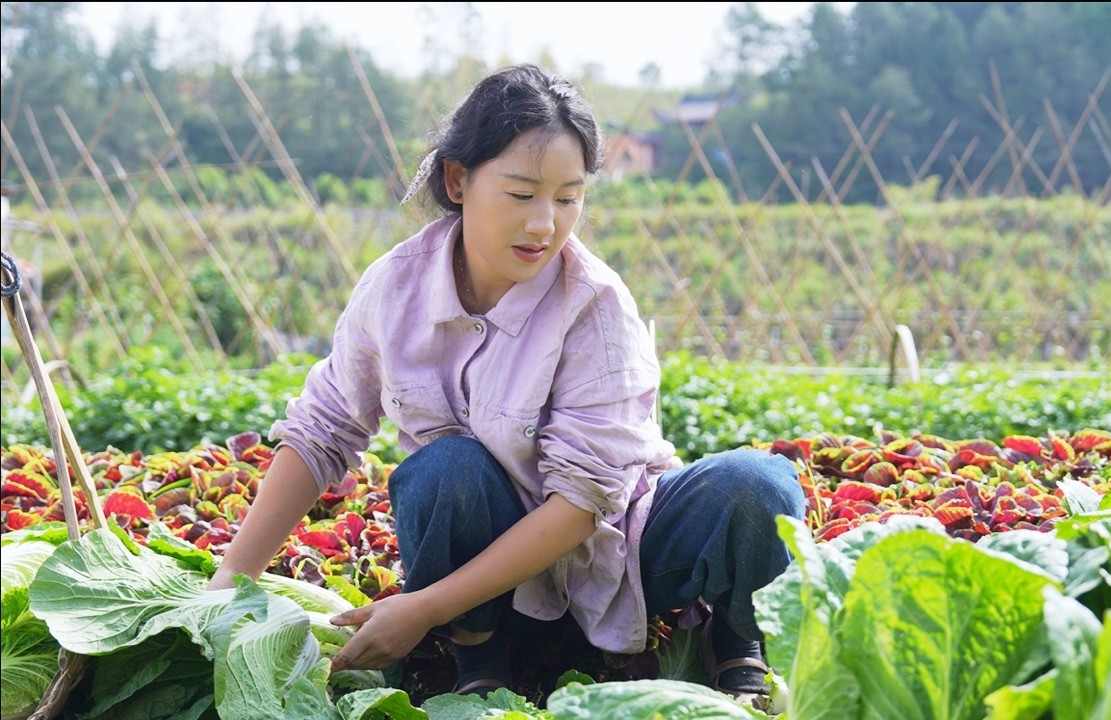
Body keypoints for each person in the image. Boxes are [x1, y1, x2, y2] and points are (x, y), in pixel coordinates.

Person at [208, 63, 804, 707]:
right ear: (458, 180)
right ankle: (479, 660)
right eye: (521, 195)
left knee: (758, 487)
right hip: (482, 590)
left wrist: (421, 607)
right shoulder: (394, 288)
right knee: (445, 469)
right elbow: (324, 429)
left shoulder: (596, 305)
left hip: (621, 565)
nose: (544, 224)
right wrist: (229, 582)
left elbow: (583, 502)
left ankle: (736, 638)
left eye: (568, 198)